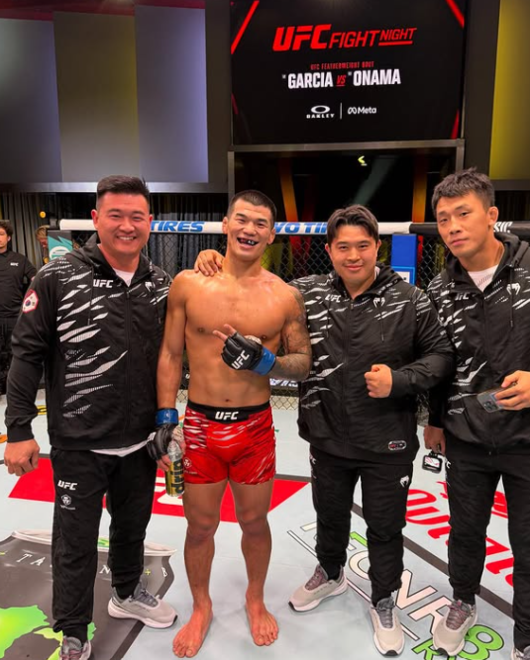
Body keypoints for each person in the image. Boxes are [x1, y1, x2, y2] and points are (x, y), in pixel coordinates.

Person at [194, 204, 455, 656]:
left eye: (362, 246)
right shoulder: (305, 293)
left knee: (385, 527)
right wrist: (215, 260)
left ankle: (384, 597)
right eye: (343, 247)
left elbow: (441, 356)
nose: (353, 256)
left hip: (386, 439)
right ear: (330, 250)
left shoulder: (410, 299)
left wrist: (401, 380)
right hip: (326, 433)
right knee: (329, 515)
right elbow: (256, 287)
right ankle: (331, 573)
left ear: (377, 247)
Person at [4, 176, 178, 660]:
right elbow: (26, 354)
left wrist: (168, 424)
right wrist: (18, 430)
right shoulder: (56, 277)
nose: (127, 226)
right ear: (96, 219)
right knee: (75, 542)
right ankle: (74, 629)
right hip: (79, 441)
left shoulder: (160, 283)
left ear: (150, 223)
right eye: (115, 215)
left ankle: (127, 591)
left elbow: (171, 355)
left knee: (133, 526)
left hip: (141, 440)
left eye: (137, 216)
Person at [156, 190, 311, 658]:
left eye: (260, 223)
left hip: (253, 429)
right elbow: (171, 353)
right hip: (200, 426)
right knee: (200, 526)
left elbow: (303, 363)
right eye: (241, 219)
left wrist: (267, 361)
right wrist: (166, 416)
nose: (249, 229)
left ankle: (254, 599)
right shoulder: (188, 283)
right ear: (225, 224)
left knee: (254, 521)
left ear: (272, 234)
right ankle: (201, 607)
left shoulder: (285, 296)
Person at [424, 169, 530, 660]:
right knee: (465, 532)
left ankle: (525, 635)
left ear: (491, 215)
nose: (452, 226)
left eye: (462, 213)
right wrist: (435, 420)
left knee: (527, 544)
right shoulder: (439, 288)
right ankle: (463, 601)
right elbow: (438, 361)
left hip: (527, 439)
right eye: (443, 218)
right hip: (466, 435)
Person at [0, 219, 36, 441]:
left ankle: (15, 409)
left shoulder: (19, 260)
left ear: (8, 238)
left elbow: (36, 279)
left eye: (1, 234)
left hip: (14, 318)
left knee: (17, 361)